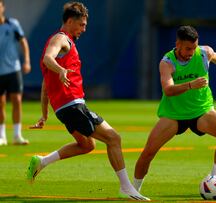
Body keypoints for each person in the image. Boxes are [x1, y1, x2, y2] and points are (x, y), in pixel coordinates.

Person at [26, 2, 149, 201]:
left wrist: (45, 114)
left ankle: (42, 161)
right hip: (73, 105)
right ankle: (126, 188)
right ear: (70, 21)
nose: (84, 29)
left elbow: (45, 83)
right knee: (114, 139)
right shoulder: (61, 39)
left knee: (86, 145)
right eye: (81, 24)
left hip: (64, 109)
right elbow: (48, 59)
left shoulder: (64, 44)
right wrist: (62, 70)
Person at [133, 25, 216, 195]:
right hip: (174, 115)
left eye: (194, 47)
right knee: (148, 152)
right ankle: (133, 190)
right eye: (187, 48)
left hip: (201, 110)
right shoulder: (167, 63)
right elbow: (168, 90)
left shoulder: (204, 52)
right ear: (177, 44)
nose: (191, 52)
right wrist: (191, 85)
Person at [0, 0, 31, 146]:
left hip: (13, 69)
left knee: (17, 101)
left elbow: (23, 42)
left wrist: (27, 61)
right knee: (1, 103)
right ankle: (2, 136)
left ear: (3, 7)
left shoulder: (13, 24)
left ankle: (17, 135)